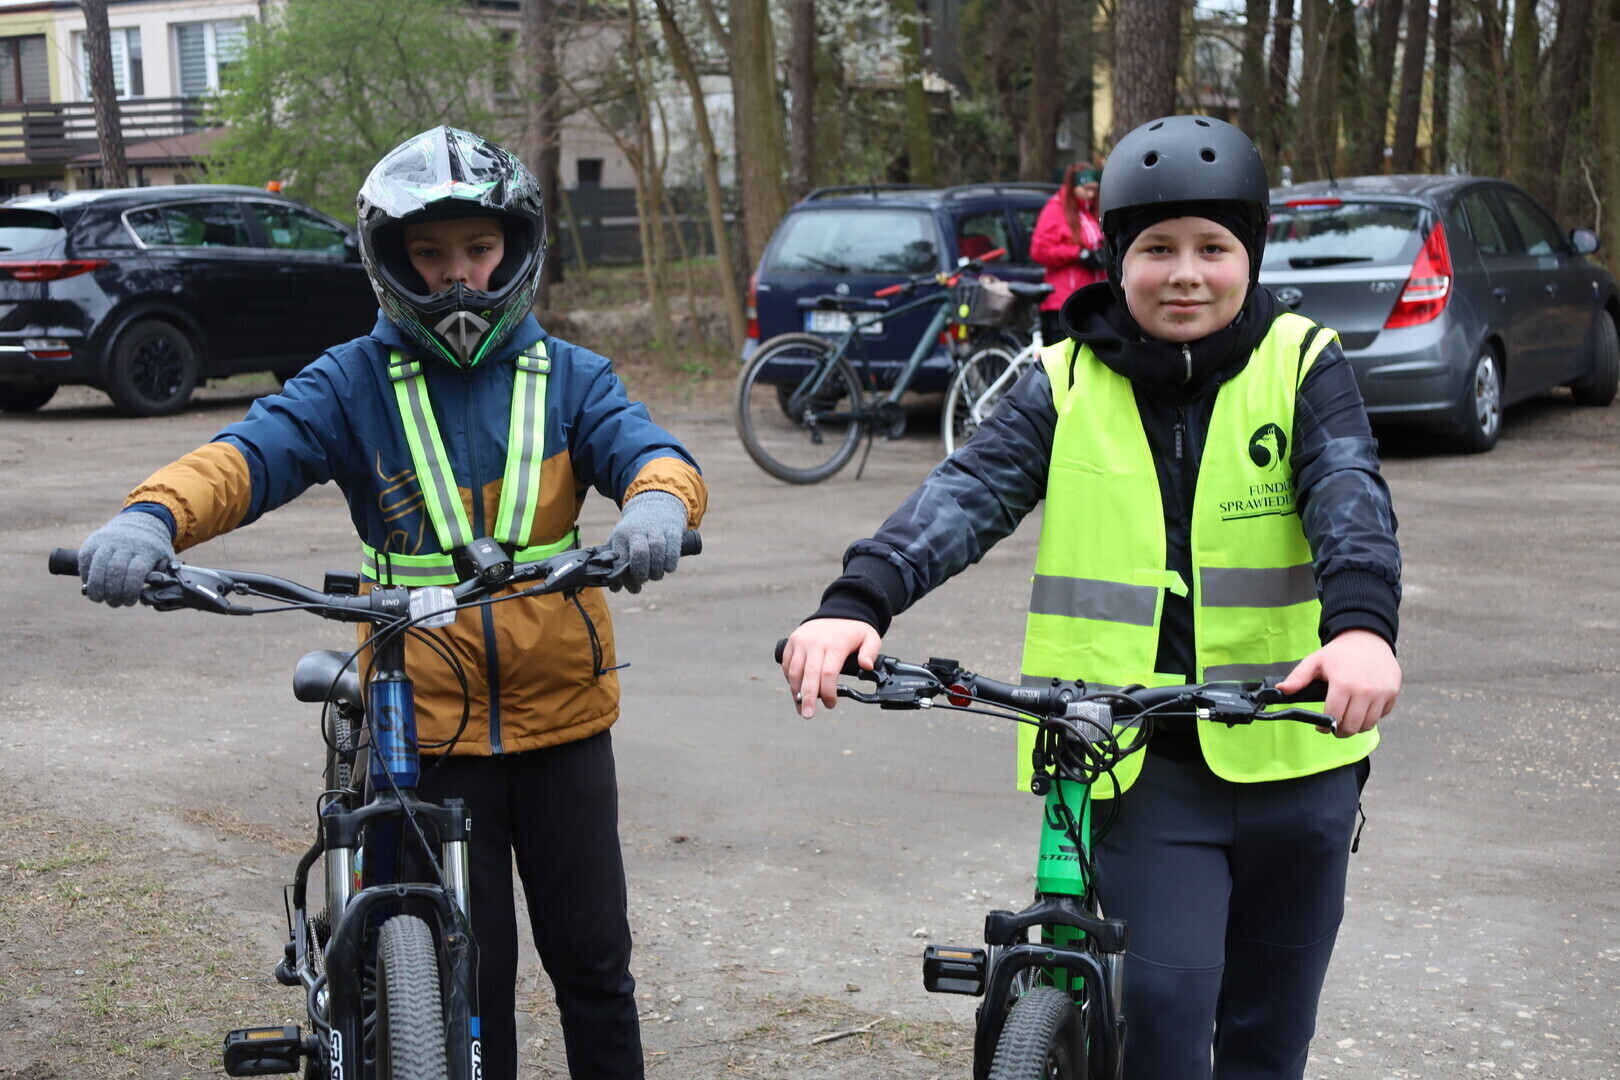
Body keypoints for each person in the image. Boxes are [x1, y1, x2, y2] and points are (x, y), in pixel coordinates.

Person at [75, 126, 707, 1080]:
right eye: (430, 253)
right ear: (391, 260)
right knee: (462, 982)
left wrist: (659, 504)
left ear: (518, 248)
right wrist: (151, 516)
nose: (458, 276)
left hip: (566, 725)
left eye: (479, 249)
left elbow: (651, 452)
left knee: (595, 970)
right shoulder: (350, 381)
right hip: (424, 734)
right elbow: (246, 456)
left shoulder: (573, 377)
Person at [780, 115, 1401, 1080]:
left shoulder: (1300, 362)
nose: (1185, 273)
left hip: (1298, 750)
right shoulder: (1064, 378)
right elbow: (967, 492)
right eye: (1157, 248)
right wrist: (856, 600)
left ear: (1251, 254)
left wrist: (1361, 628)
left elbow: (1349, 497)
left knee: (1269, 1040)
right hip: (1134, 758)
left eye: (1212, 248)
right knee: (1161, 1019)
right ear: (1114, 258)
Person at [1029, 160, 1106, 342]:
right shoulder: (1055, 210)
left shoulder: (1089, 212)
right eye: (1086, 189)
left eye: (1094, 190)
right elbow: (1040, 250)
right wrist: (1078, 254)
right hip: (1064, 300)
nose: (1091, 194)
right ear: (1073, 187)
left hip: (1090, 298)